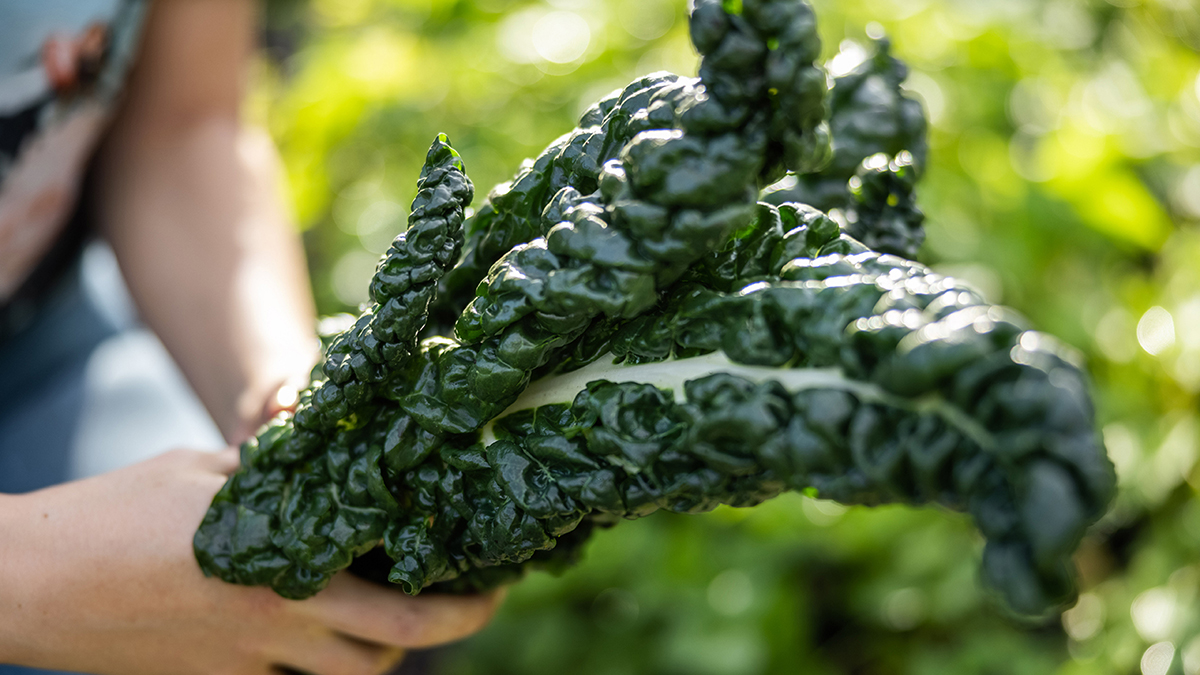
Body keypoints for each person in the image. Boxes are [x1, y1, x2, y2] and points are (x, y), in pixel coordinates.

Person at [0, 2, 501, 674]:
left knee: (335, 611)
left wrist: (279, 396)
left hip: (45, 336)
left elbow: (185, 122)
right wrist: (33, 582)